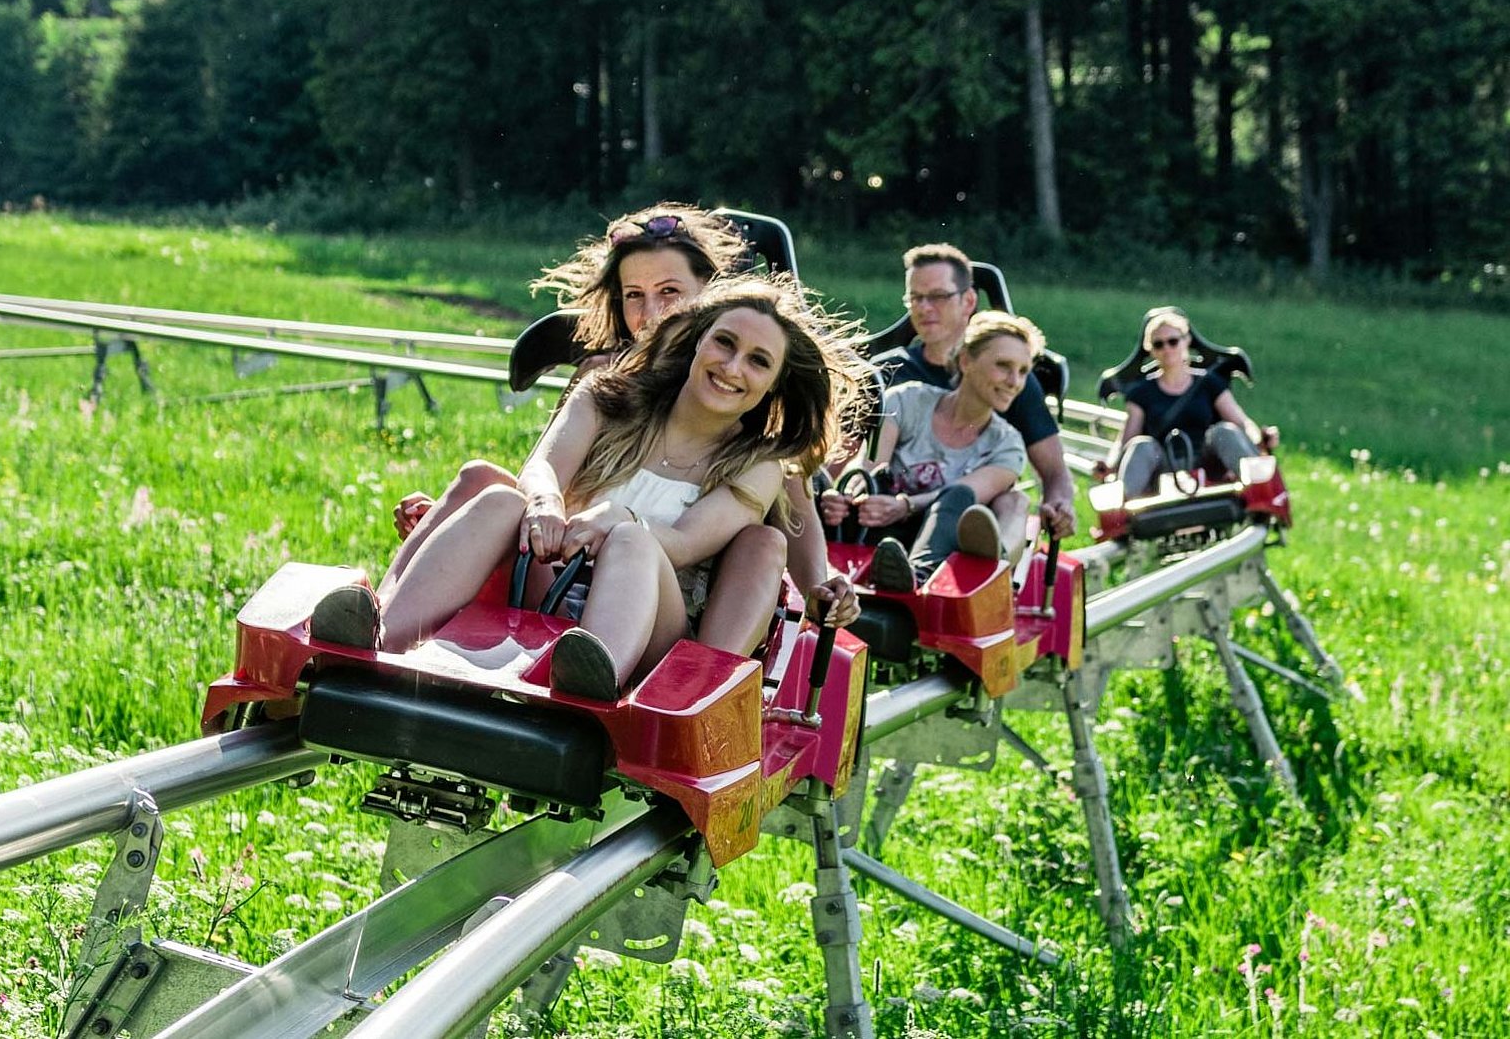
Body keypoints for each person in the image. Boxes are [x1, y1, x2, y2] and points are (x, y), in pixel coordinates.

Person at [314, 277, 860, 700]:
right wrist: (547, 505)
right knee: (504, 497)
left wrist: (618, 519)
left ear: (773, 384)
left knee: (634, 541)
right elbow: (543, 467)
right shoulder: (608, 395)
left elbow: (690, 542)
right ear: (696, 342)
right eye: (724, 343)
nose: (732, 366)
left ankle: (590, 685)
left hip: (653, 624)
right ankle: (378, 638)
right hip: (554, 580)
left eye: (757, 361)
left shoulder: (759, 462)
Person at [386, 205, 856, 645]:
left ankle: (671, 689)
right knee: (487, 486)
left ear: (707, 296)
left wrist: (818, 582)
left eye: (669, 293)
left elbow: (789, 521)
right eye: (635, 295)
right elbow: (544, 472)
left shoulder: (762, 454)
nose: (652, 313)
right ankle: (376, 628)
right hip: (560, 566)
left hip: (661, 603)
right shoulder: (605, 384)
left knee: (736, 539)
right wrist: (467, 521)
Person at [867, 244, 1075, 553]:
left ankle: (988, 570)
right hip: (885, 509)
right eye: (915, 298)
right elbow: (854, 460)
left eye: (937, 297)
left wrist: (1060, 503)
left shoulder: (1015, 385)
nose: (924, 308)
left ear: (969, 301)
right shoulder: (890, 374)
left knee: (1013, 499)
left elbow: (1054, 470)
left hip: (969, 516)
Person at [824, 312, 1044, 592]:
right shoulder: (906, 400)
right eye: (1003, 366)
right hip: (874, 526)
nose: (1015, 381)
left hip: (940, 538)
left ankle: (917, 574)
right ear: (966, 361)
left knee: (959, 496)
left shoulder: (1008, 446)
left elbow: (967, 492)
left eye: (1023, 372)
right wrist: (847, 496)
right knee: (834, 482)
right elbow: (870, 466)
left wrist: (905, 506)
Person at [1100, 307, 1277, 496]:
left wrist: (1260, 438)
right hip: (1164, 466)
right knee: (1141, 445)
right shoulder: (1141, 392)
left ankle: (1262, 493)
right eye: (1159, 344)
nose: (1167, 349)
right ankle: (1119, 512)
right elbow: (1126, 440)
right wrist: (1109, 465)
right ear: (1151, 350)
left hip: (1208, 461)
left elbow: (1241, 422)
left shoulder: (1209, 382)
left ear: (1186, 341)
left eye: (1173, 341)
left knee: (1224, 431)